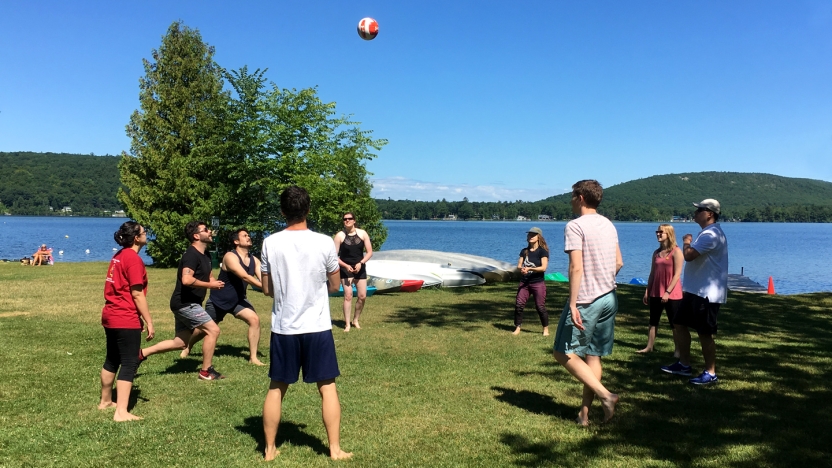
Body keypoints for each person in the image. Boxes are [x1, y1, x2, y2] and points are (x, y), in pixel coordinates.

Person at [260, 186, 352, 461]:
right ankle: (334, 450)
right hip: (317, 326)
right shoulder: (324, 242)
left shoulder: (269, 242)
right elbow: (334, 285)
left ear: (282, 211)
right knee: (327, 388)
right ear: (308, 210)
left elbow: (267, 289)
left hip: (284, 327)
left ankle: (269, 449)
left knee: (277, 387)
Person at [553, 180, 623, 426]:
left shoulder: (575, 226)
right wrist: (604, 280)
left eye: (572, 195)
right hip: (609, 297)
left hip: (587, 299)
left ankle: (606, 396)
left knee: (563, 352)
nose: (571, 200)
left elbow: (576, 266)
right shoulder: (609, 224)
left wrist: (573, 303)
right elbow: (619, 262)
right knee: (593, 356)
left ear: (581, 197)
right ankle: (584, 414)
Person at [139, 221, 226, 380]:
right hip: (185, 303)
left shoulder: (205, 255)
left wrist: (217, 284)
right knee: (213, 330)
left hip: (187, 303)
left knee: (180, 343)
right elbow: (186, 280)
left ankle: (141, 354)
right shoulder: (191, 255)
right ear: (196, 235)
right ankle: (206, 371)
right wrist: (209, 285)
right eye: (206, 230)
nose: (210, 231)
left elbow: (209, 277)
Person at [661, 199, 728, 385]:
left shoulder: (712, 235)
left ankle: (710, 372)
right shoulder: (706, 233)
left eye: (700, 210)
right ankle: (684, 364)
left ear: (710, 214)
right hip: (694, 290)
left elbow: (689, 256)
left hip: (707, 293)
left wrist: (686, 242)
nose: (696, 212)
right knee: (679, 323)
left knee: (705, 333)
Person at [181, 229, 265, 365]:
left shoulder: (254, 260)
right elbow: (244, 276)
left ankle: (253, 358)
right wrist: (264, 287)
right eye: (244, 236)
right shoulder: (230, 256)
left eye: (249, 235)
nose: (248, 237)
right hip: (219, 300)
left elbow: (263, 278)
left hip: (238, 300)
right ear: (236, 241)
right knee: (203, 330)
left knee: (254, 320)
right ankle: (188, 347)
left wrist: (270, 287)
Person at [98, 222, 154, 421]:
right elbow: (137, 294)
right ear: (137, 238)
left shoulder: (118, 256)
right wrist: (149, 320)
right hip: (125, 317)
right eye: (144, 232)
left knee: (112, 358)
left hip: (110, 315)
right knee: (129, 362)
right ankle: (121, 412)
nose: (146, 234)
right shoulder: (133, 259)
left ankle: (105, 401)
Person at [638, 224, 683, 354]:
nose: (658, 234)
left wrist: (667, 292)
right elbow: (652, 273)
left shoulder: (676, 252)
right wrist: (648, 290)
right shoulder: (656, 253)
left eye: (661, 232)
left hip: (672, 294)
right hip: (656, 291)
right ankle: (649, 347)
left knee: (675, 324)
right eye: (657, 232)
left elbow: (677, 274)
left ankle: (678, 350)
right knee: (653, 321)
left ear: (668, 234)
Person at [333, 212, 373, 332]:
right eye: (345, 219)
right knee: (348, 296)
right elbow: (334, 256)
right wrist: (345, 265)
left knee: (362, 296)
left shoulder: (362, 233)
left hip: (360, 267)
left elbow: (370, 252)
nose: (347, 221)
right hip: (346, 269)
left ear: (354, 220)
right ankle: (347, 324)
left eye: (350, 219)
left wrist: (361, 263)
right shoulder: (339, 236)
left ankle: (355, 320)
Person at [512, 227, 550, 336]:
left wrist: (530, 269)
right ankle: (518, 327)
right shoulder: (524, 251)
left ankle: (545, 329)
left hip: (538, 283)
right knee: (519, 305)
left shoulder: (543, 251)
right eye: (529, 235)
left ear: (539, 237)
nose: (530, 237)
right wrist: (522, 269)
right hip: (524, 283)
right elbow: (519, 265)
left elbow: (543, 268)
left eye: (533, 235)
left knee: (540, 307)